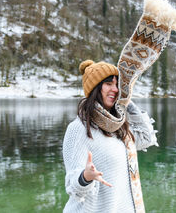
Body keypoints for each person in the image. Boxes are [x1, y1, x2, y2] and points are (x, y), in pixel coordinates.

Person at [62, 60, 158, 213]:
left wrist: (127, 102)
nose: (115, 89)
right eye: (108, 84)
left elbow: (147, 138)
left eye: (117, 84)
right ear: (95, 88)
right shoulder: (78, 129)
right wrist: (86, 177)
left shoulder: (118, 127)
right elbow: (73, 188)